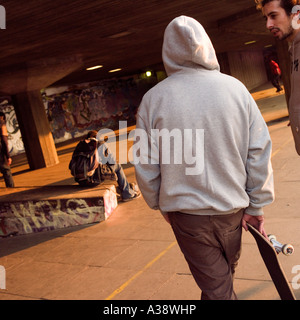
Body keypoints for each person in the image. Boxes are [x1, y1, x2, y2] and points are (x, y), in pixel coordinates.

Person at [134, 16, 274, 300]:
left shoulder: (153, 100)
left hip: (187, 217)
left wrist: (160, 202)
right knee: (220, 283)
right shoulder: (236, 90)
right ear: (206, 46)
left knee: (218, 285)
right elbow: (258, 150)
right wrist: (257, 204)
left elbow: (144, 162)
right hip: (233, 211)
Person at [256, 0, 300, 154]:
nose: (268, 24)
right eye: (266, 18)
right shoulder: (293, 49)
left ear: (296, 14)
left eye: (273, 16)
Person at [70, 130, 140, 201]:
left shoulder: (80, 145)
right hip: (94, 181)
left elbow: (71, 166)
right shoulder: (100, 143)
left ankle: (124, 188)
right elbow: (112, 161)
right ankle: (127, 193)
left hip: (81, 181)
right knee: (117, 166)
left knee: (101, 168)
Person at [0, 111, 14, 188]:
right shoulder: (2, 124)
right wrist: (8, 156)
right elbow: (4, 141)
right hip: (1, 153)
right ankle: (11, 190)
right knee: (6, 171)